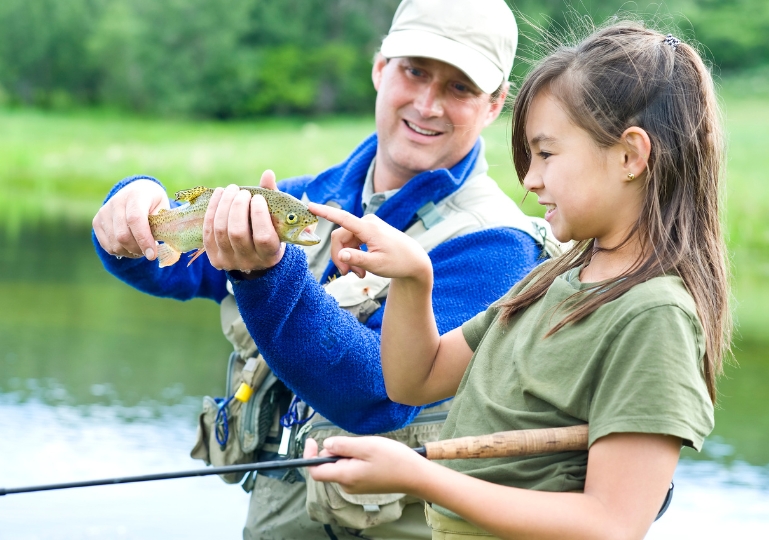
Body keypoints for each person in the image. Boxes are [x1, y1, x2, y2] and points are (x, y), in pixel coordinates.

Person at [91, 1, 553, 538]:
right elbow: (170, 270)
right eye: (415, 71)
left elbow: (382, 391)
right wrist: (132, 208)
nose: (428, 104)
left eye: (460, 88)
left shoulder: (497, 245)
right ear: (380, 68)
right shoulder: (305, 198)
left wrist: (267, 275)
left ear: (495, 104)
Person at [303, 22, 731, 540]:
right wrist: (414, 276)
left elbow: (612, 523)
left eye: (546, 154)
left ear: (630, 156)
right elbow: (415, 378)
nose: (529, 179)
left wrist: (422, 477)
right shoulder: (558, 276)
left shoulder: (655, 315)